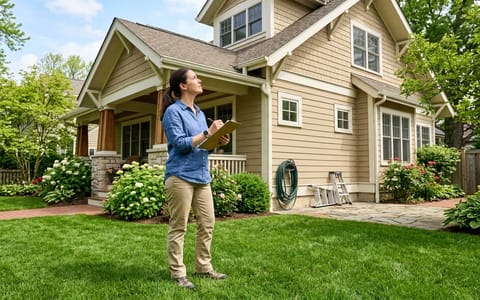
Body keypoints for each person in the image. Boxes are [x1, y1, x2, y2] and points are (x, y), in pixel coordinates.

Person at [160, 68, 230, 290]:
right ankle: (178, 273)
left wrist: (217, 140)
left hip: (202, 176)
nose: (199, 81)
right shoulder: (173, 112)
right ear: (182, 85)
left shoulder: (199, 113)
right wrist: (208, 133)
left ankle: (204, 267)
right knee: (179, 226)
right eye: (194, 78)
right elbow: (180, 144)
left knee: (207, 224)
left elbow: (202, 146)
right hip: (180, 176)